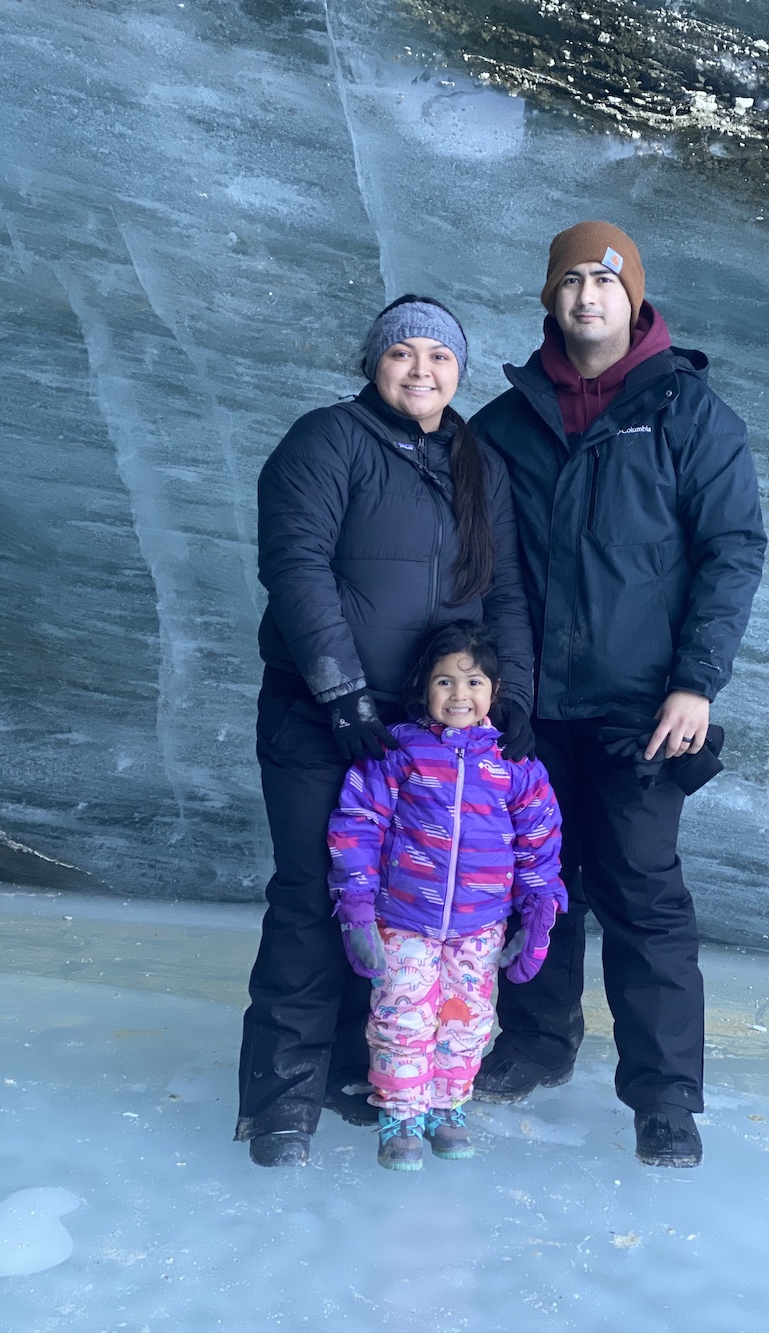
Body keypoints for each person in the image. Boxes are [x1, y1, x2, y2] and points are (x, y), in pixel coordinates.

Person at [469, 222, 767, 1167]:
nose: (588, 296)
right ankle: (538, 1038)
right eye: (570, 282)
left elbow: (733, 551)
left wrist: (696, 683)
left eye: (605, 281)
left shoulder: (688, 412)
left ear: (633, 298)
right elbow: (471, 561)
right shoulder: (505, 423)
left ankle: (665, 1097)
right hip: (530, 705)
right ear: (549, 299)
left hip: (641, 709)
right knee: (535, 885)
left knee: (643, 895)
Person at [236, 297, 535, 1168]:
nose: (421, 371)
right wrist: (341, 690)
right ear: (374, 363)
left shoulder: (479, 463)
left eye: (439, 357)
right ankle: (282, 1099)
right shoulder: (325, 441)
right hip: (318, 717)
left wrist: (508, 693)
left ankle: (360, 1072)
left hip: (423, 737)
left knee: (401, 914)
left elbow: (505, 589)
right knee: (309, 897)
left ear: (459, 373)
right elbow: (294, 563)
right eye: (402, 353)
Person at [327, 621, 566, 1171]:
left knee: (467, 1017)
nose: (460, 695)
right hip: (404, 917)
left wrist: (538, 914)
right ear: (423, 689)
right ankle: (401, 1117)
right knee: (401, 1017)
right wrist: (357, 908)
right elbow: (358, 824)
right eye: (445, 682)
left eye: (474, 682)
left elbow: (540, 841)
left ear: (495, 692)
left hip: (480, 923)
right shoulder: (398, 752)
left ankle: (447, 1108)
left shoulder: (515, 763)